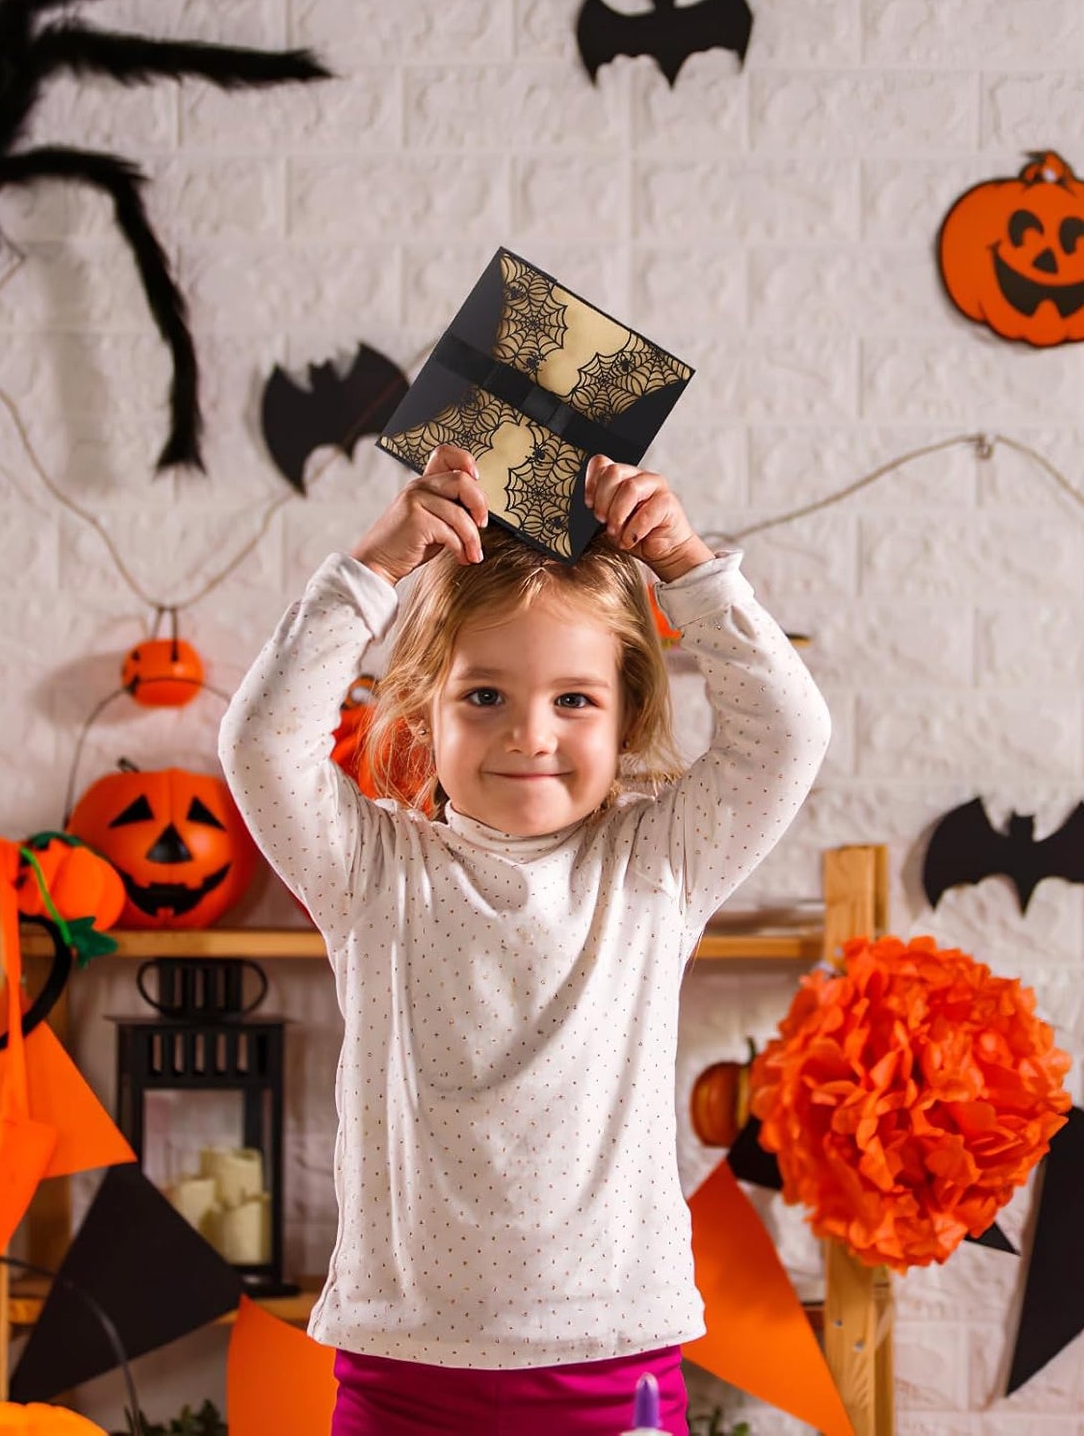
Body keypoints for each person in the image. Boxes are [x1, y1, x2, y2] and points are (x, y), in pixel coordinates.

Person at [219, 443, 831, 1436]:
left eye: (574, 698)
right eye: (485, 695)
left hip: (612, 1359)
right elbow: (262, 745)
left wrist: (683, 560)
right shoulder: (372, 870)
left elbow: (787, 733)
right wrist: (372, 565)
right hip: (402, 1364)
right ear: (422, 709)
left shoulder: (659, 862)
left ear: (629, 713)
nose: (529, 733)